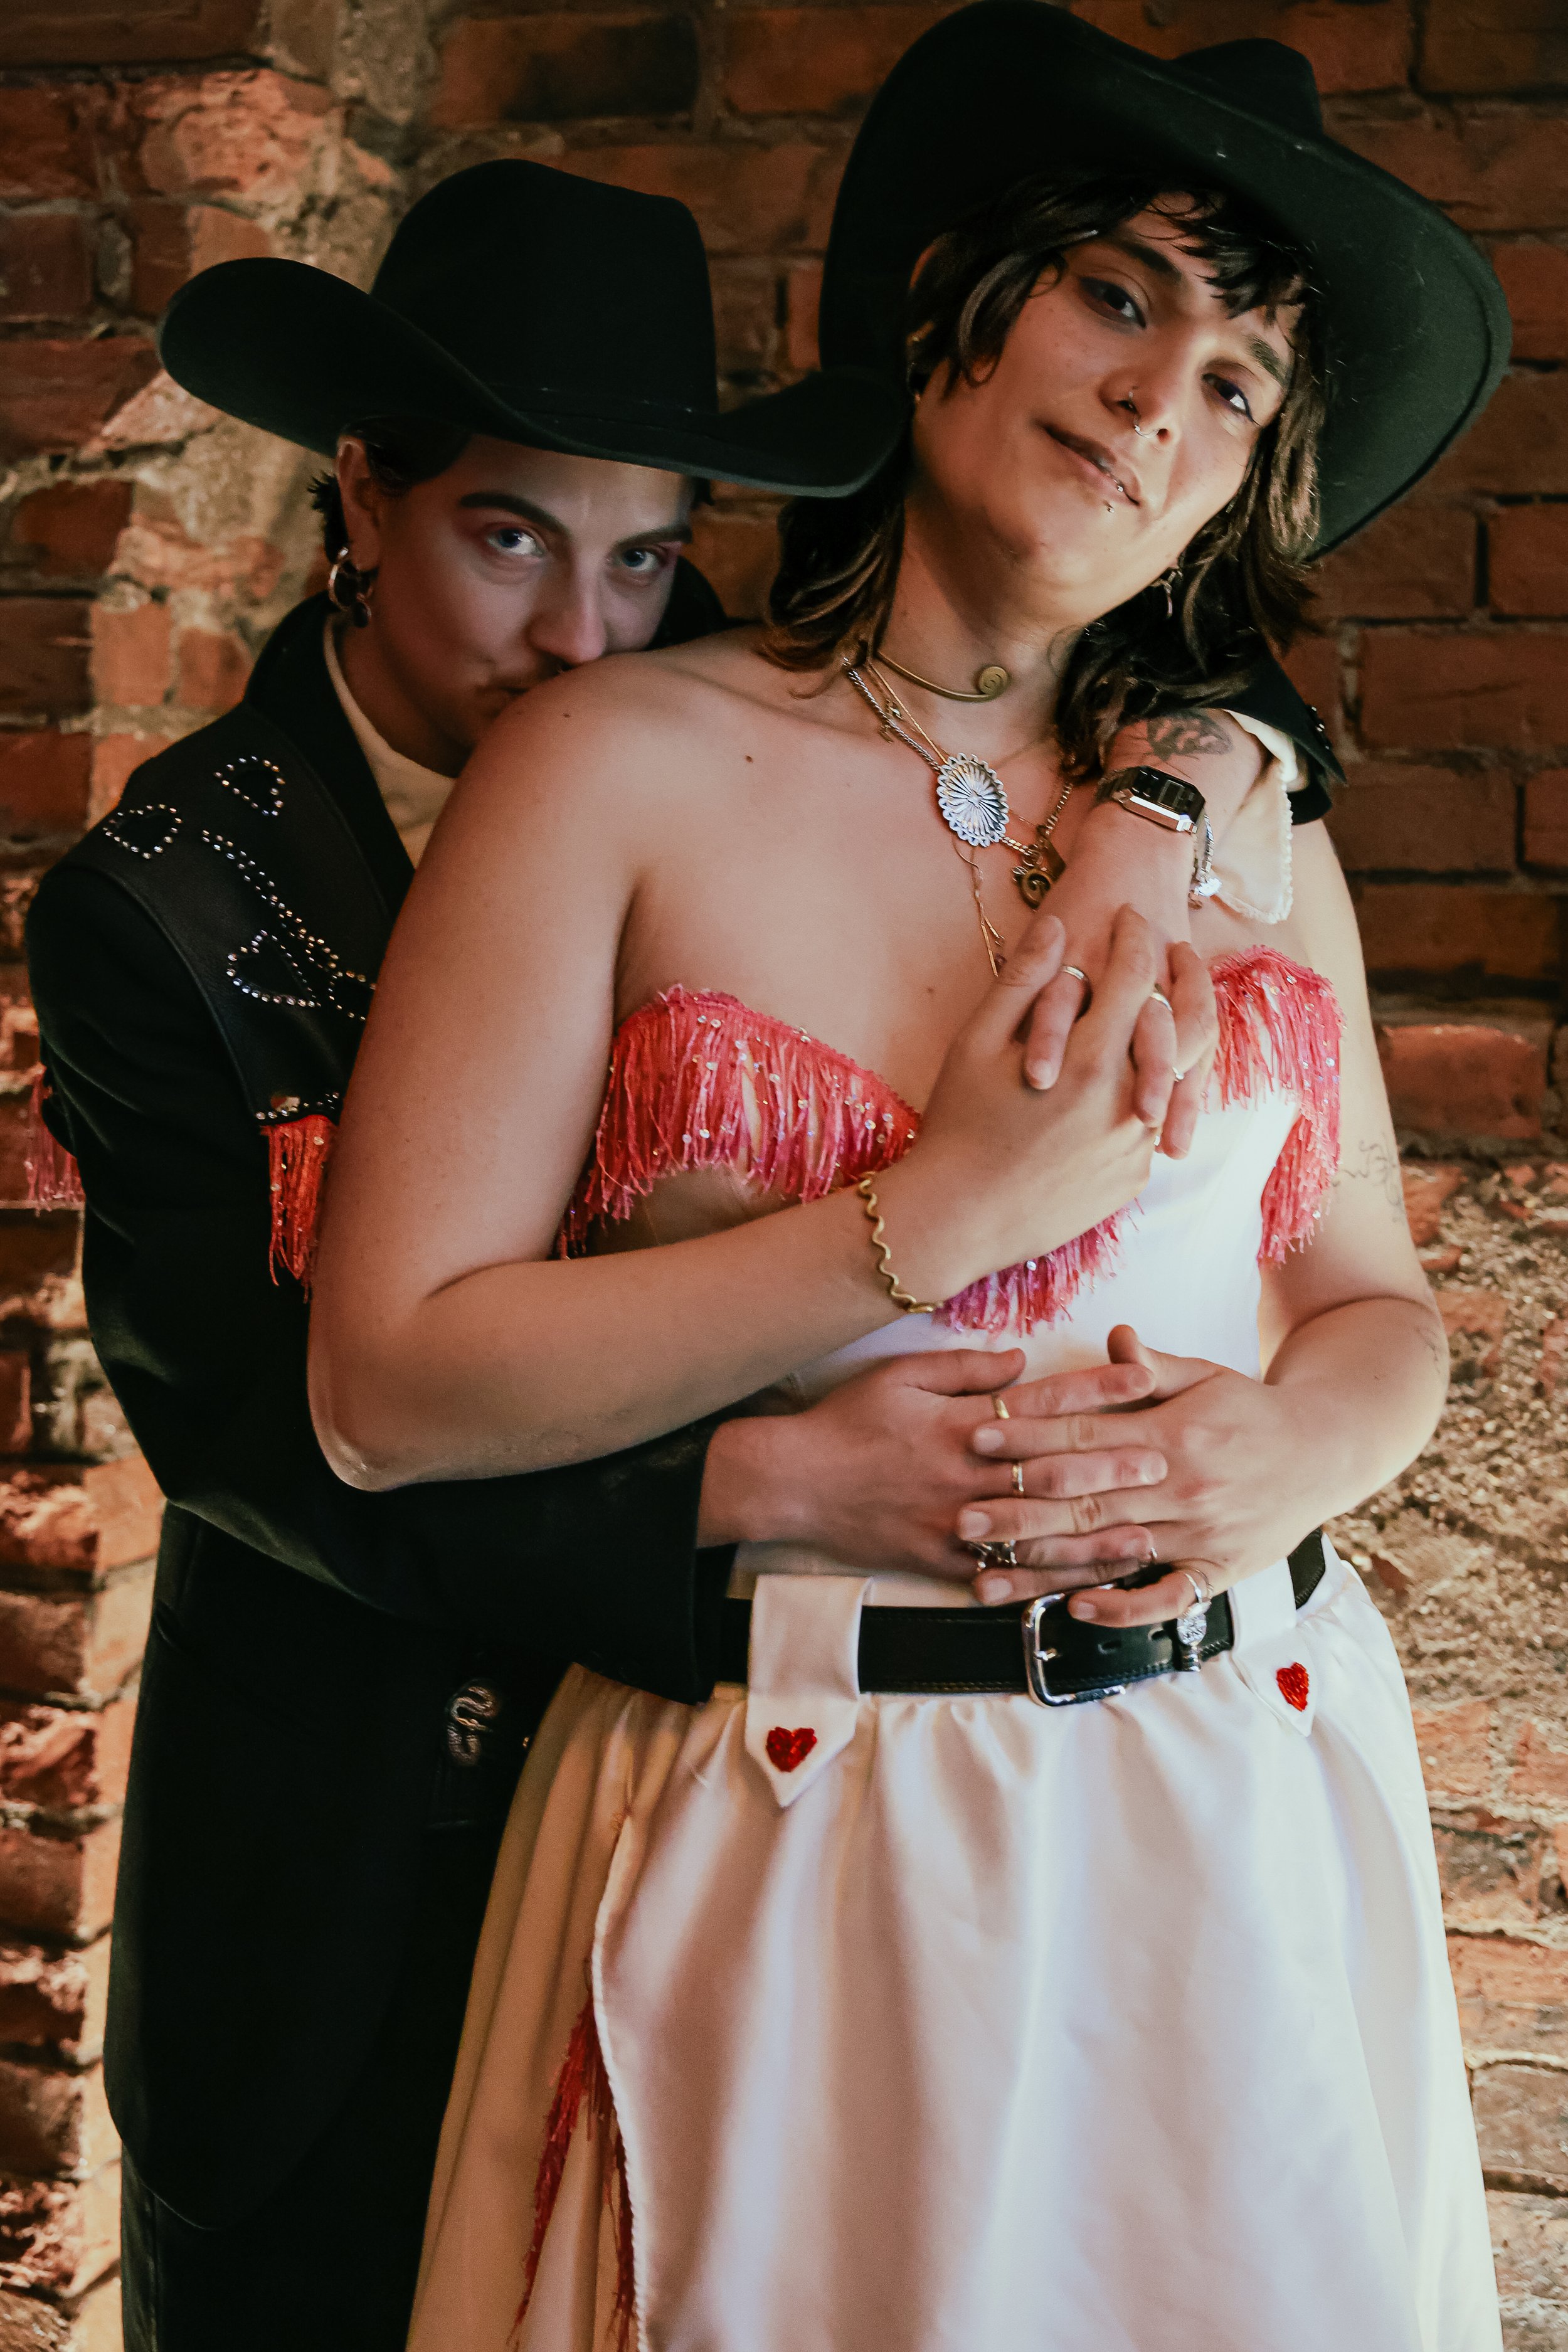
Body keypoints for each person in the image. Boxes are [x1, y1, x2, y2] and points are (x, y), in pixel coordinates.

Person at [24, 152, 1328, 2348]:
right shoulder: (167, 901)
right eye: (507, 537)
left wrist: (1188, 770)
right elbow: (264, 1430)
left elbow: (1090, 671)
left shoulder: (710, 751)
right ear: (362, 497)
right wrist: (756, 1488)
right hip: (367, 1838)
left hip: (737, 1820)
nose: (580, 630)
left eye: (647, 558)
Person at [309, 9, 1510, 2348]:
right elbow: (387, 1382)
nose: (1167, 392)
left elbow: (1378, 1306)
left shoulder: (1248, 831)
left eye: (1245, 377)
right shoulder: (609, 769)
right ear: (954, 290)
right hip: (801, 1803)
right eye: (1119, 292)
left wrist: (1286, 1450)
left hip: (1240, 1794)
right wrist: (926, 1218)